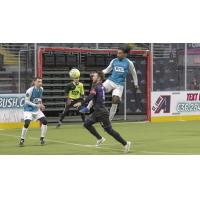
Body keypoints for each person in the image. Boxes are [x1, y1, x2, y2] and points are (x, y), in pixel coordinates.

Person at [75, 71, 131, 153]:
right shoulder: (100, 86)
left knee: (109, 130)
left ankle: (125, 143)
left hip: (102, 113)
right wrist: (87, 107)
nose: (92, 77)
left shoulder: (96, 86)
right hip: (97, 112)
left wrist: (81, 103)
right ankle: (100, 138)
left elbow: (90, 96)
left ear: (99, 78)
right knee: (87, 124)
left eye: (94, 76)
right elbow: (94, 98)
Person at [80, 45, 139, 121]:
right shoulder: (114, 61)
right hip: (110, 81)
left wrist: (136, 84)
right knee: (97, 91)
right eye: (117, 53)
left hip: (119, 85)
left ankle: (108, 121)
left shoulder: (129, 63)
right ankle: (87, 108)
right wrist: (99, 73)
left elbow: (134, 74)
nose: (118, 55)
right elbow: (107, 70)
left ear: (125, 54)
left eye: (120, 53)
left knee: (115, 100)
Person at [19, 77, 47, 146]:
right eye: (38, 81)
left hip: (36, 110)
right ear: (34, 82)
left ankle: (42, 138)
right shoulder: (30, 90)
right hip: (28, 110)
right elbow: (26, 101)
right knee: (27, 123)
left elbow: (39, 99)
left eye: (41, 82)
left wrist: (41, 104)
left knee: (45, 121)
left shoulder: (41, 89)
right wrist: (36, 105)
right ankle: (22, 139)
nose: (40, 83)